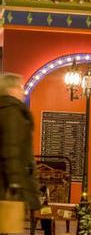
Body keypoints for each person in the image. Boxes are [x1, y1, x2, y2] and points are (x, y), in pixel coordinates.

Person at [0, 74, 46, 234]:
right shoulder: (12, 112)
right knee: (9, 228)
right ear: (11, 89)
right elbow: (10, 149)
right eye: (20, 87)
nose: (23, 92)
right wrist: (15, 182)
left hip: (6, 184)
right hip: (8, 187)